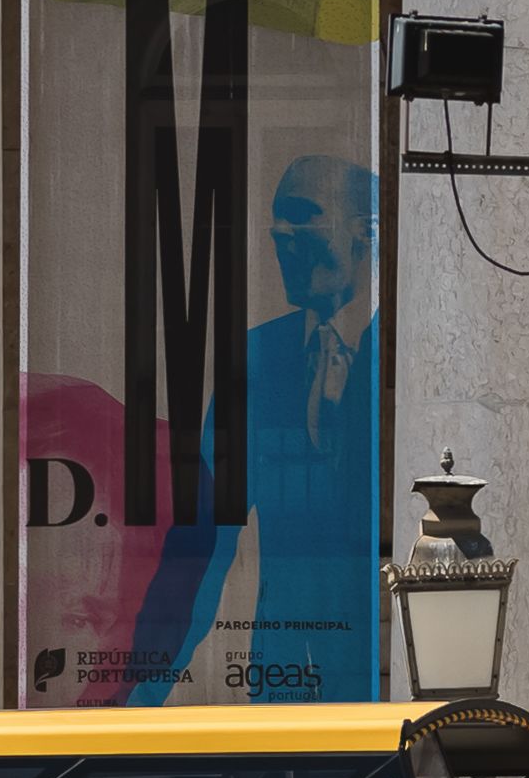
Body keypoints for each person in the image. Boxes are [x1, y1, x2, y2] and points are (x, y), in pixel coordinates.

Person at [123, 153, 383, 703]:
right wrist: (144, 689)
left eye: (301, 216)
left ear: (366, 233)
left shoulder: (412, 356)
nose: (280, 235)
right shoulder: (255, 358)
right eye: (276, 221)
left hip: (388, 668)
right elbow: (201, 542)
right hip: (284, 674)